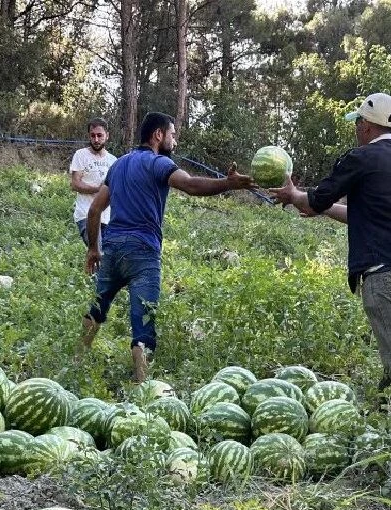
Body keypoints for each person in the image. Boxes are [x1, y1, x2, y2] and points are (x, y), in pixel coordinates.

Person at [271, 92, 391, 431]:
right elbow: (363, 213)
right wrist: (314, 205)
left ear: (366, 126)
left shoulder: (361, 158)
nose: (356, 129)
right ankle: (381, 421)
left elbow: (314, 201)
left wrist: (295, 197)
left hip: (386, 272)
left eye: (357, 123)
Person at [79, 111, 254, 383]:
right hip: (143, 252)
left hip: (112, 247)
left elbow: (94, 211)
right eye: (172, 134)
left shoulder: (119, 164)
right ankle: (142, 386)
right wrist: (228, 184)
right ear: (158, 135)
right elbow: (191, 185)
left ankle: (78, 361)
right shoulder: (157, 163)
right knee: (143, 321)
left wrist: (93, 249)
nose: (175, 141)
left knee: (98, 306)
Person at [69, 118, 116, 246]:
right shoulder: (81, 155)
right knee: (98, 252)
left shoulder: (113, 161)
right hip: (86, 215)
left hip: (107, 218)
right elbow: (75, 184)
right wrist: (98, 189)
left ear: (107, 136)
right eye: (92, 135)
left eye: (99, 135)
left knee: (105, 258)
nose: (96, 139)